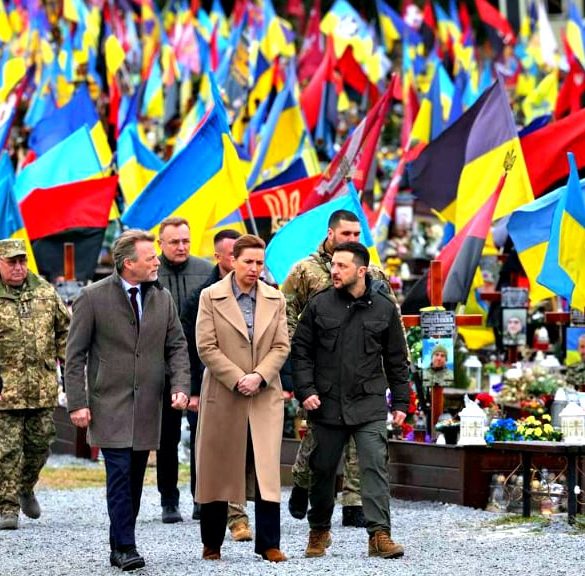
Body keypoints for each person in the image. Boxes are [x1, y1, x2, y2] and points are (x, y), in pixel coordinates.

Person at [65, 229, 190, 571]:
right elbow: (74, 356)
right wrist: (77, 402)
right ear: (128, 264)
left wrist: (181, 385)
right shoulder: (92, 297)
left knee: (134, 479)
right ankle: (126, 546)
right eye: (150, 258)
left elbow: (177, 346)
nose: (157, 262)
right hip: (109, 404)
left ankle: (119, 543)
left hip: (148, 405)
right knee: (119, 474)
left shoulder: (162, 298)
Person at [281, 209, 407, 527]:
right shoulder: (305, 271)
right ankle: (303, 482)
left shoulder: (372, 273)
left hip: (362, 372)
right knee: (317, 441)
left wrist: (399, 374)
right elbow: (286, 314)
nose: (351, 238)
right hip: (320, 373)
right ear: (330, 233)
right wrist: (300, 364)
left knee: (361, 441)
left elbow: (392, 321)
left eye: (356, 234)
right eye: (346, 233)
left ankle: (353, 503)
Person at [195, 234, 289, 562]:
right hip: (223, 393)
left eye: (259, 263)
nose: (254, 268)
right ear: (232, 261)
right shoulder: (210, 296)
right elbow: (206, 346)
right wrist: (238, 378)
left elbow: (281, 346)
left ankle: (269, 543)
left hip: (264, 394)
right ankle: (212, 543)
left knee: (266, 469)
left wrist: (259, 376)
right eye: (248, 261)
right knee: (218, 467)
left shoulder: (275, 298)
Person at [181, 229, 253, 540]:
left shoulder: (265, 294)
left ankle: (238, 512)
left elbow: (279, 341)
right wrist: (192, 390)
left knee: (246, 450)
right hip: (213, 384)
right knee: (212, 450)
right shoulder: (203, 296)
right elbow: (193, 348)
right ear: (221, 257)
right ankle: (211, 504)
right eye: (236, 254)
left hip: (254, 384)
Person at [0, 239, 70, 530]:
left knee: (40, 445)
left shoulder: (44, 291)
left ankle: (25, 486)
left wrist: (69, 367)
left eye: (22, 261)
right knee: (6, 451)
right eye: (11, 262)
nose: (18, 268)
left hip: (42, 387)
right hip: (5, 390)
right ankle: (7, 507)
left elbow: (64, 331)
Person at [156, 216, 213, 524]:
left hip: (200, 367)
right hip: (162, 369)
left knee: (202, 436)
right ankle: (168, 499)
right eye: (174, 241)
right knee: (166, 437)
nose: (181, 247)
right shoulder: (151, 272)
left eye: (185, 241)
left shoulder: (205, 271)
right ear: (161, 244)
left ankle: (200, 497)